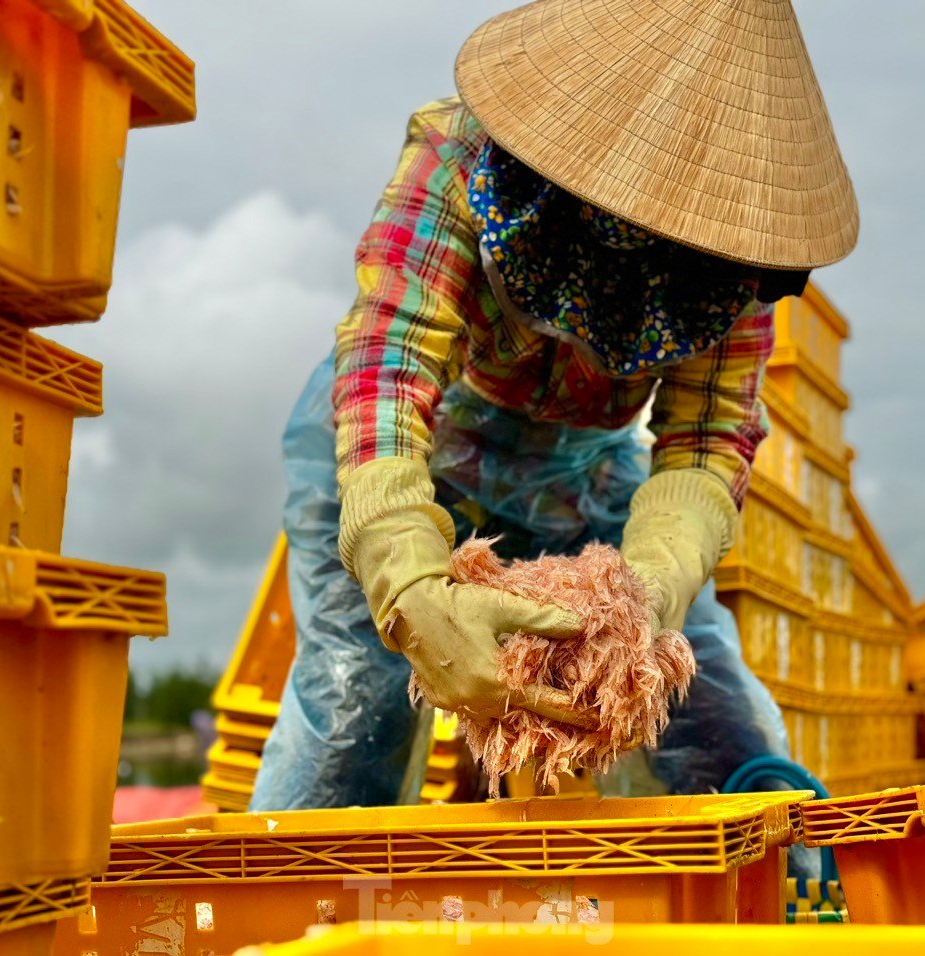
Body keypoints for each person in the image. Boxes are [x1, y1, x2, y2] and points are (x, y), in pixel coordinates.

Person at [250, 0, 858, 810]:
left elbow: (709, 439)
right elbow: (389, 362)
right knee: (356, 712)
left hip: (582, 479)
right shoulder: (462, 154)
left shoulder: (738, 247)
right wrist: (406, 572)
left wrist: (646, 589)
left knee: (699, 713)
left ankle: (763, 888)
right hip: (406, 454)